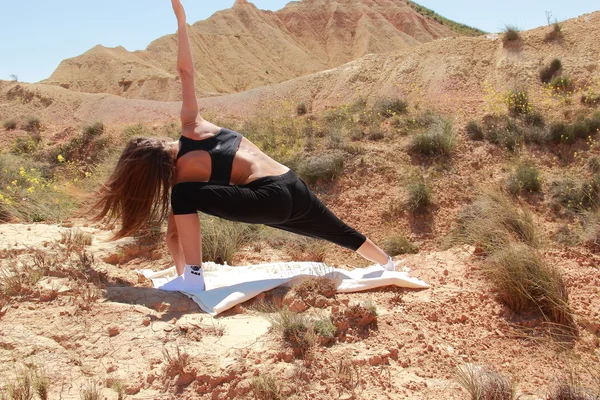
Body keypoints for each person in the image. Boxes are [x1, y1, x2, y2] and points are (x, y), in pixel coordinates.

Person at [92, 0, 395, 293]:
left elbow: (174, 234)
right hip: (291, 183)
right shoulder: (192, 125)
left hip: (268, 199)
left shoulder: (182, 180)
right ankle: (387, 262)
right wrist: (181, 22)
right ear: (157, 144)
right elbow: (186, 72)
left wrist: (182, 273)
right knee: (336, 230)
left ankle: (194, 277)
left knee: (183, 196)